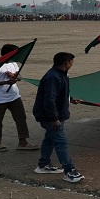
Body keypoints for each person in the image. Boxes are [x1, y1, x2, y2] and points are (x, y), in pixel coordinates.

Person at [32, 52, 84, 183]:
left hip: (56, 114)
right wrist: (54, 118)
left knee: (50, 139)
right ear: (66, 63)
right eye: (71, 62)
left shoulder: (61, 75)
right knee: (61, 142)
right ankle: (69, 171)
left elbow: (59, 94)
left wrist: (70, 99)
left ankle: (43, 164)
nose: (72, 64)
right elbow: (49, 100)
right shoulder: (53, 77)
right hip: (51, 117)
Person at [0, 44, 39, 153]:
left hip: (14, 96)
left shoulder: (13, 64)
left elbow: (19, 77)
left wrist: (14, 76)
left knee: (21, 118)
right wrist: (6, 82)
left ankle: (23, 142)